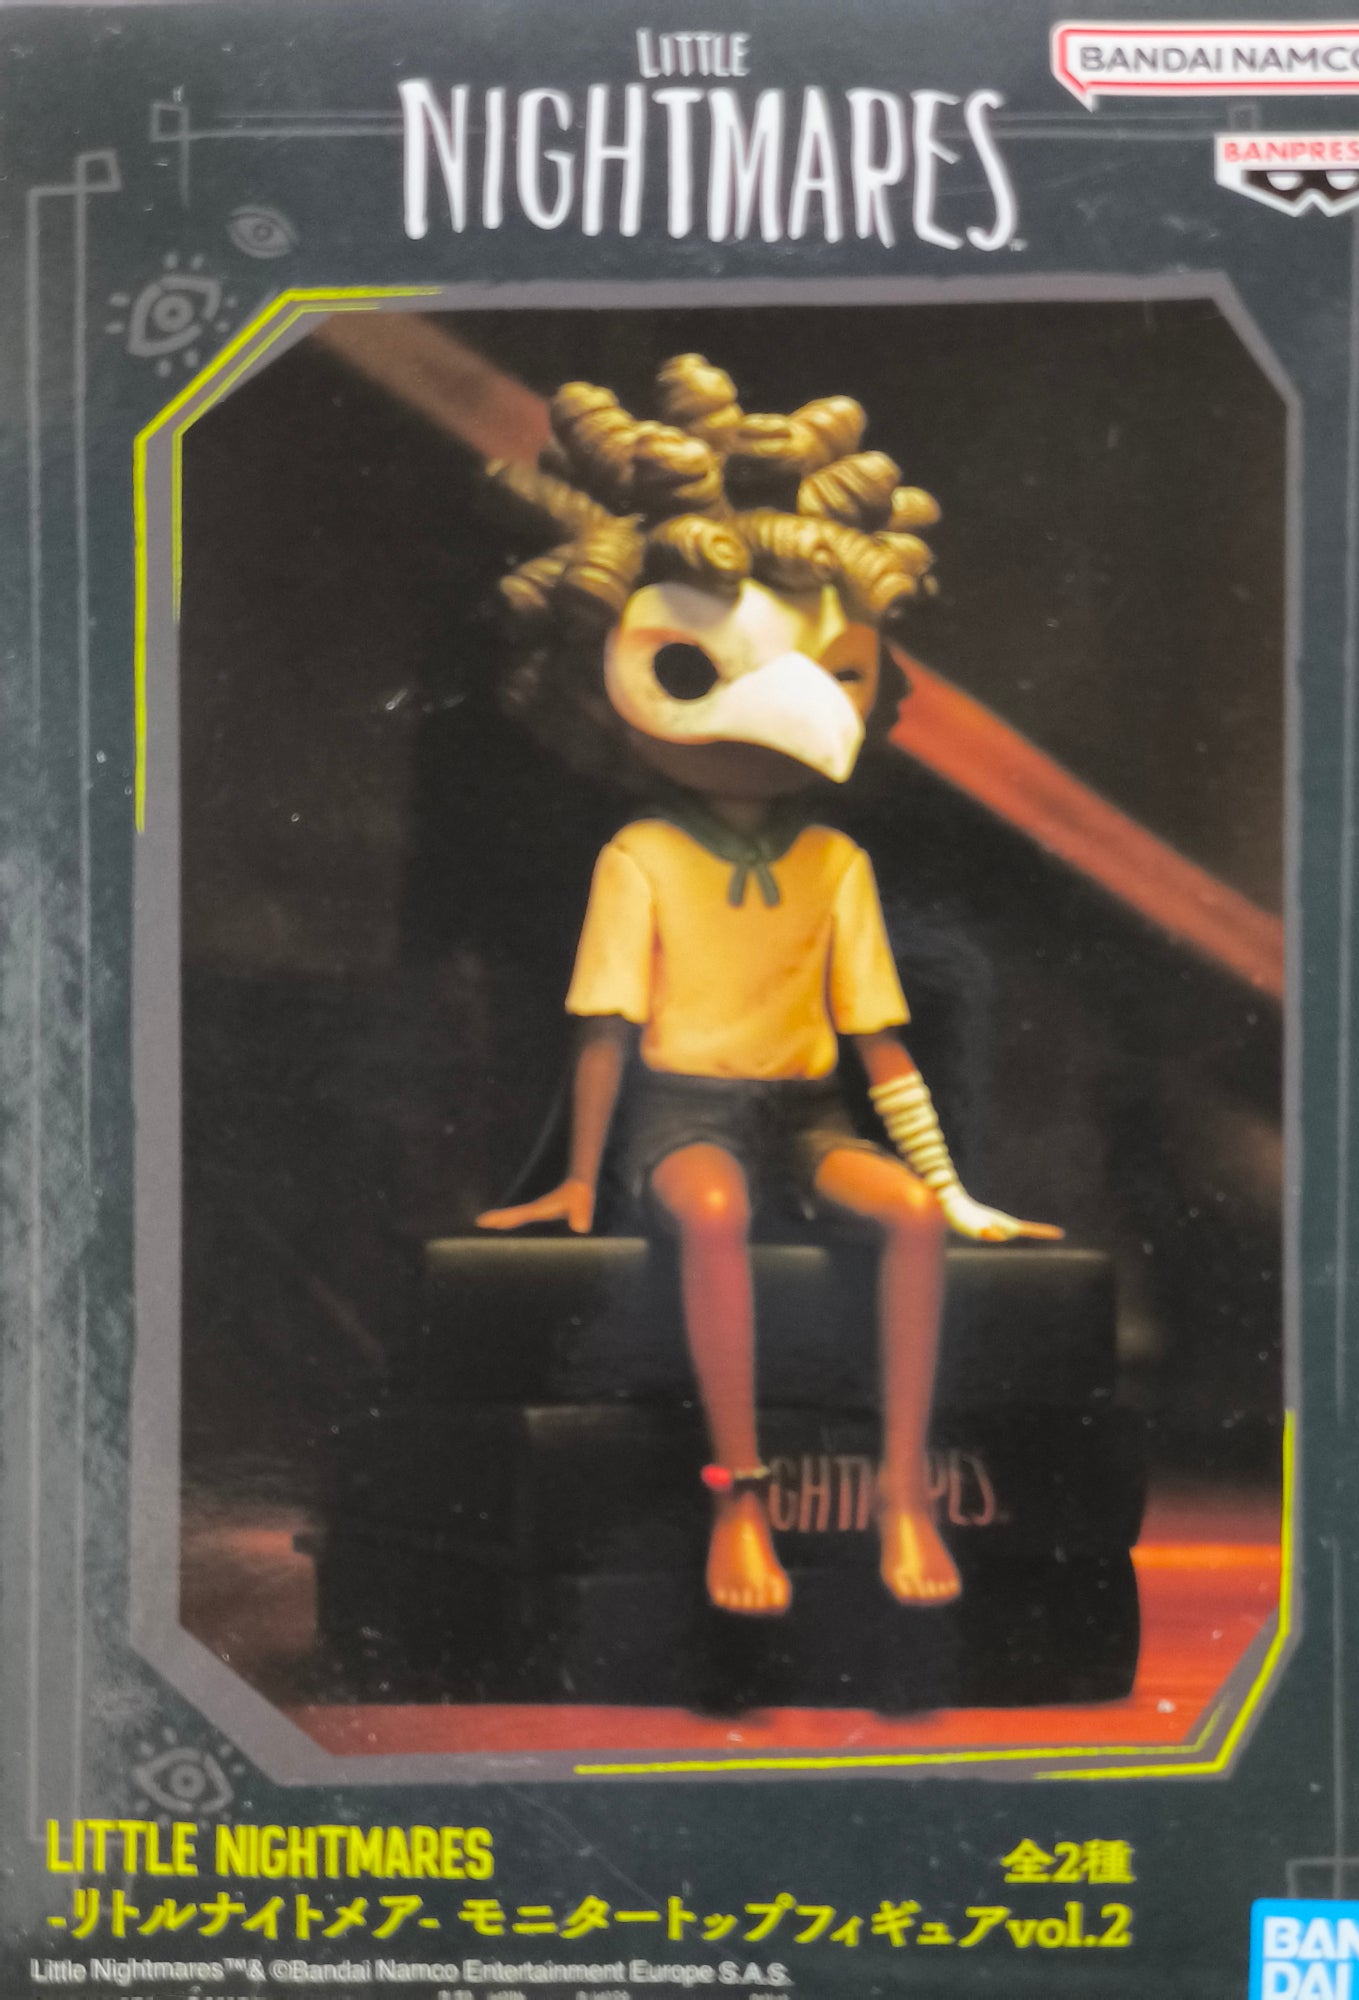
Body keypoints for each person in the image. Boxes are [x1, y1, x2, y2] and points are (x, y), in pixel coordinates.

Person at [476, 355, 1060, 1615]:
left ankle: (901, 1483)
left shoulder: (834, 861)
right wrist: (579, 1176)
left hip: (812, 1115)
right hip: (681, 1115)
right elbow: (604, 1029)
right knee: (710, 1209)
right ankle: (738, 1496)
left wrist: (954, 1188)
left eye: (838, 667)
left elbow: (880, 1042)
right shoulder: (641, 855)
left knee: (906, 1219)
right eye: (695, 665)